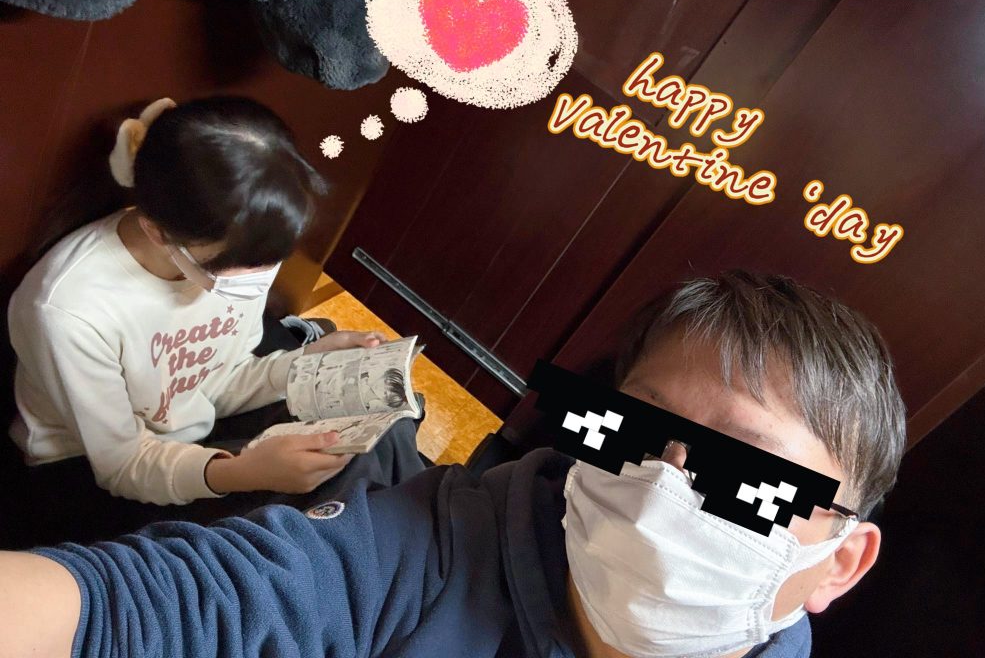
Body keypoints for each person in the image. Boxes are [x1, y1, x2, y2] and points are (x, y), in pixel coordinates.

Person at [0, 271, 906, 658]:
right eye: (637, 430)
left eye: (744, 469)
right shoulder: (436, 546)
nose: (664, 482)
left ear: (842, 560)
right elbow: (172, 603)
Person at [4, 96, 393, 522]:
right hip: (84, 468)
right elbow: (123, 463)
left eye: (267, 261)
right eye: (238, 266)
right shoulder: (70, 312)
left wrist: (303, 366)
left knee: (370, 450)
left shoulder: (247, 243)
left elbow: (214, 382)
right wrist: (241, 472)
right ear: (157, 232)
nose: (259, 277)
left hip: (189, 435)